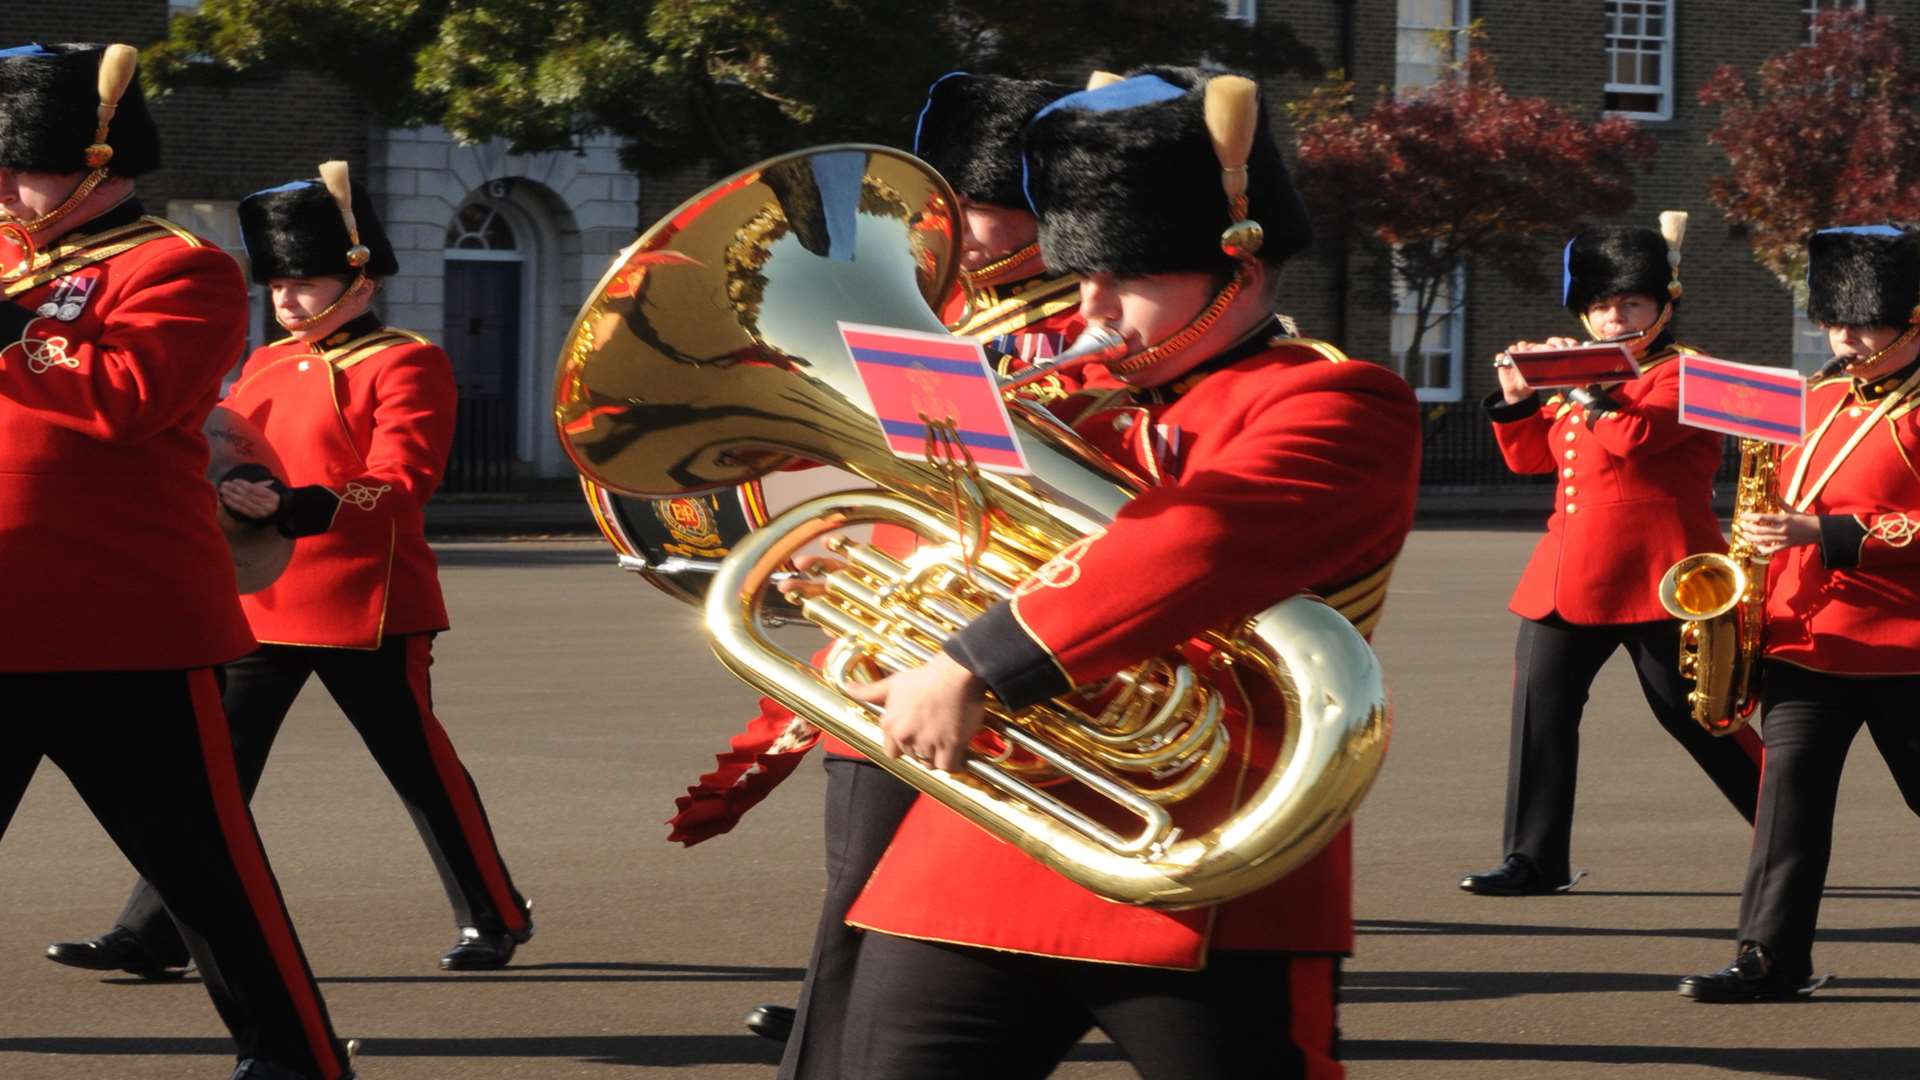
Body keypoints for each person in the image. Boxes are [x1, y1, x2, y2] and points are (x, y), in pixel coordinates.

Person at [822, 66, 1421, 1079]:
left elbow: (1197, 540)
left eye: (1122, 274)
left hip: (1204, 857)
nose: (1089, 302)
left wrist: (976, 660)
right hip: (988, 829)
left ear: (1234, 265)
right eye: (1079, 270)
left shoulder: (1337, 402)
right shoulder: (1077, 399)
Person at [667, 72, 1087, 1071]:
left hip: (1025, 639)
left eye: (987, 207)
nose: (966, 228)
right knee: (859, 894)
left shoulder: (1085, 326)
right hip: (898, 631)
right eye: (957, 203)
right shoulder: (925, 310)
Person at [46, 160, 533, 980]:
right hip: (266, 597)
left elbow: (403, 476)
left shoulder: (404, 361)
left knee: (419, 771)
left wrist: (310, 505)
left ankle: (494, 914)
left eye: (303, 284)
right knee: (209, 781)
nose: (286, 301)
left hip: (366, 600)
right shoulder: (267, 364)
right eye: (276, 285)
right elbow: (234, 453)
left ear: (360, 281)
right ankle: (155, 930)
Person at [0, 42, 355, 1080]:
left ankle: (296, 1061)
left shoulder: (179, 268)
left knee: (207, 876)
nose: (5, 184)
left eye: (21, 162)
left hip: (121, 629)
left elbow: (126, 400)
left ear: (98, 157)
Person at [1459, 222, 1763, 897]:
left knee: (1700, 718)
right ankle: (1535, 858)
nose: (1613, 318)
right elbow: (1532, 458)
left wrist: (1577, 388)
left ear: (1664, 306)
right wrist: (1515, 399)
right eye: (1601, 306)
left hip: (1664, 576)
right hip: (1568, 575)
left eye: (1629, 304)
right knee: (1541, 715)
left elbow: (1637, 438)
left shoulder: (1687, 372)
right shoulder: (1589, 375)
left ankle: (1787, 829)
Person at [1678, 224, 1920, 1002]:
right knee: (1788, 806)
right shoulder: (1810, 399)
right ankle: (1772, 957)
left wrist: (1831, 532)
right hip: (1805, 640)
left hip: (1904, 646)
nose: (1844, 339)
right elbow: (1771, 493)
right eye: (1835, 321)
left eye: (1864, 323)